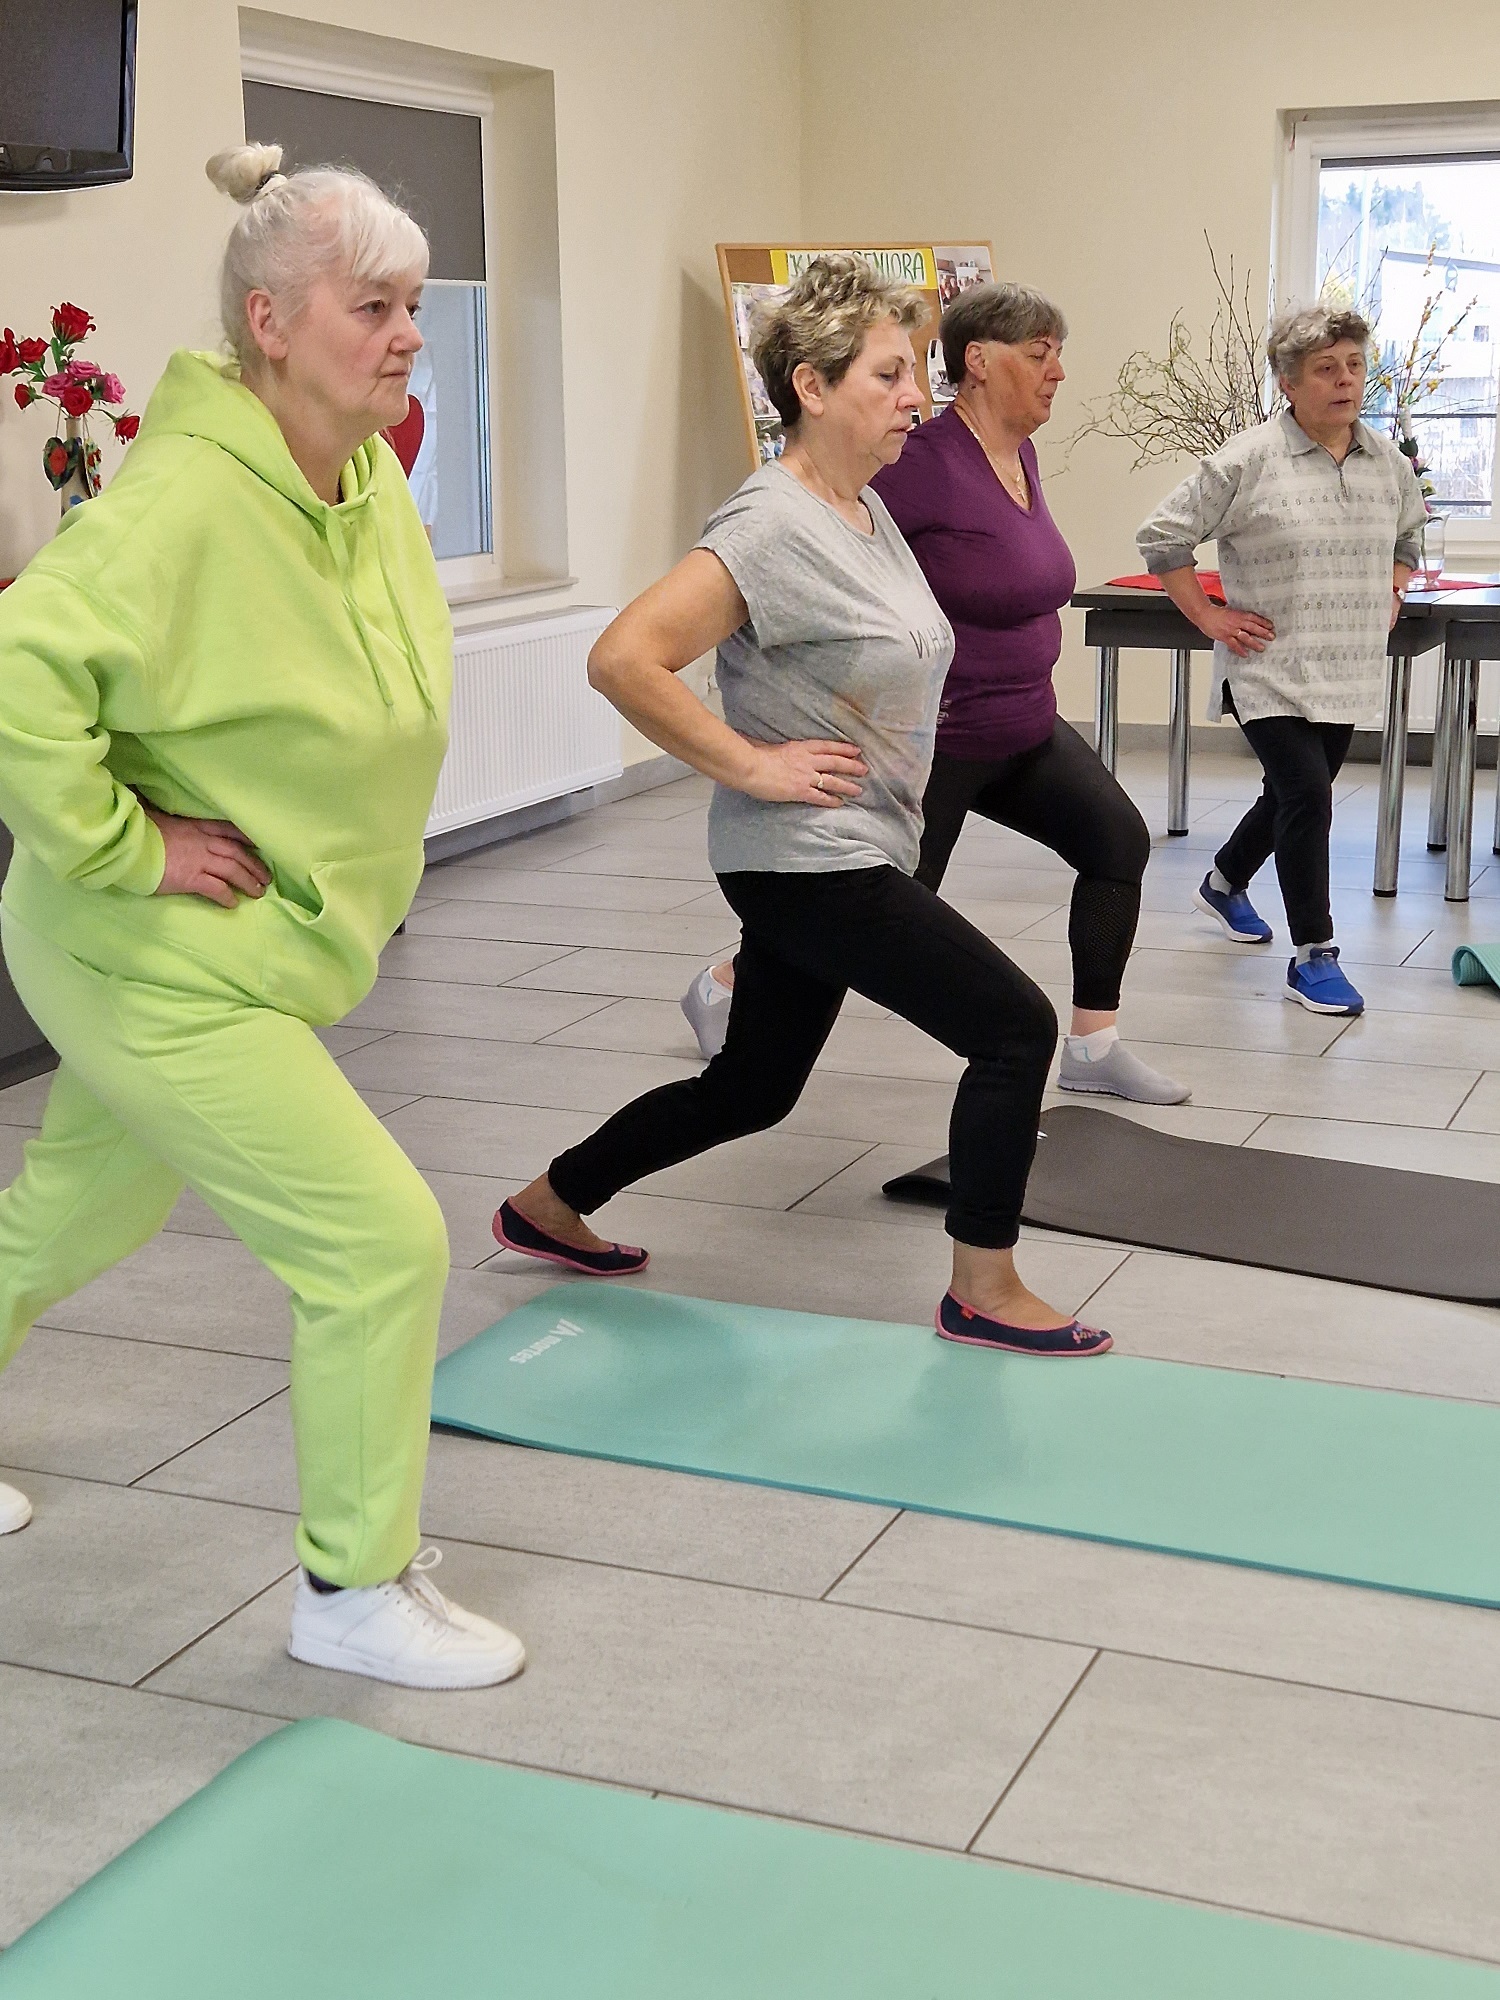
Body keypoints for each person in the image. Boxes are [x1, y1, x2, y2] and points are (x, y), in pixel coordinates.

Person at [0, 144, 525, 1689]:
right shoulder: (176, 502)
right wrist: (123, 846)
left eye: (415, 303)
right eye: (376, 305)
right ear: (269, 320)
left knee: (73, 1216)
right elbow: (20, 671)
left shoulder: (352, 474)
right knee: (378, 1246)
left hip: (262, 951)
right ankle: (351, 1592)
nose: (410, 333)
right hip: (153, 958)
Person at [496, 255, 1110, 1356]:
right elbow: (624, 656)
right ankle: (984, 1283)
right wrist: (750, 764)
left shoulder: (864, 507)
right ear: (812, 386)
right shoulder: (770, 524)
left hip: (852, 842)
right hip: (808, 856)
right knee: (1013, 1029)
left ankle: (547, 1203)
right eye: (889, 375)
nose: (916, 396)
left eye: (916, 371)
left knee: (754, 1086)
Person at [684, 283, 1188, 1107]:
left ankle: (1094, 1045)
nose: (1058, 370)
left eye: (1058, 352)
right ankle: (729, 985)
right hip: (939, 739)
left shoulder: (1019, 455)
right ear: (980, 362)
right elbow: (828, 541)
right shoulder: (915, 462)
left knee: (1115, 841)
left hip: (1024, 725)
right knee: (886, 917)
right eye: (1040, 353)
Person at [1137, 304, 1425, 1017]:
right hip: (1267, 666)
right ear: (1288, 382)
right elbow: (1162, 535)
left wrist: (1393, 584)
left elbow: (1411, 534)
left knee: (1292, 794)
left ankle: (1225, 882)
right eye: (1326, 368)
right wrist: (1207, 615)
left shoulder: (1384, 459)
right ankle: (1314, 955)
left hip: (1347, 665)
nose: (1346, 380)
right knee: (1308, 795)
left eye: (1355, 365)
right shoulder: (1246, 460)